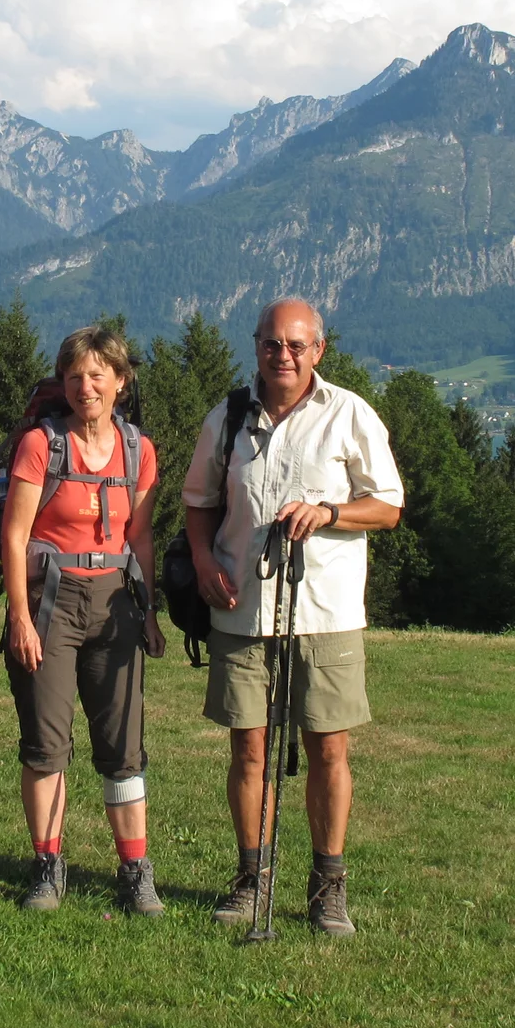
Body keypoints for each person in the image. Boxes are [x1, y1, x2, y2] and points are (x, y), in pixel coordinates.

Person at [182, 297, 402, 936]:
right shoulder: (226, 418)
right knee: (247, 747)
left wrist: (330, 512)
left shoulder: (349, 413)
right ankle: (252, 879)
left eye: (297, 345)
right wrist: (201, 562)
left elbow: (387, 506)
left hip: (326, 612)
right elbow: (197, 502)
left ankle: (327, 886)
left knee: (329, 748)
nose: (284, 355)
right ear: (256, 346)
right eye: (272, 344)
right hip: (242, 609)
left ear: (319, 350)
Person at [0, 324, 166, 915]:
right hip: (51, 601)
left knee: (123, 746)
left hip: (117, 602)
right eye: (74, 375)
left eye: (98, 374)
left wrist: (149, 612)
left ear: (120, 381)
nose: (85, 385)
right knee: (47, 743)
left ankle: (134, 870)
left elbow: (140, 537)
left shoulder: (138, 451)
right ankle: (47, 865)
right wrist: (18, 617)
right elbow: (15, 536)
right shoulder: (42, 446)